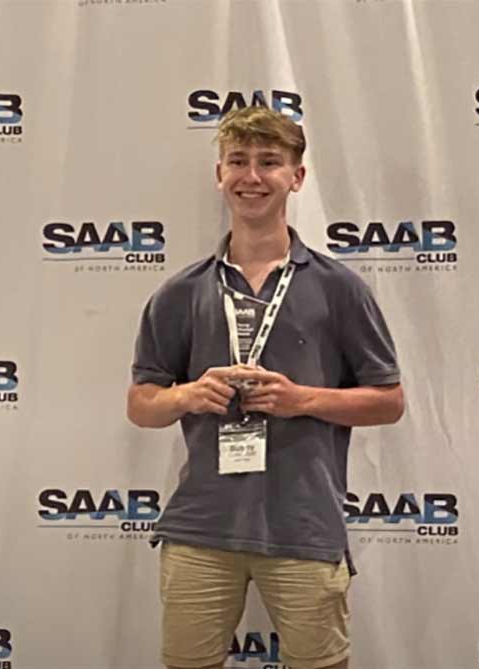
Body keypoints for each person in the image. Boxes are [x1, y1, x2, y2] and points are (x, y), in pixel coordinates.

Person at [127, 105, 404, 669]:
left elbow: (389, 401)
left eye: (269, 163)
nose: (251, 177)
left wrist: (302, 399)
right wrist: (185, 395)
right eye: (238, 161)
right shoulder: (179, 292)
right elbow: (142, 405)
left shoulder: (339, 288)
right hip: (200, 527)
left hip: (304, 525)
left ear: (296, 177)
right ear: (220, 174)